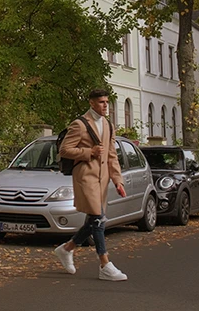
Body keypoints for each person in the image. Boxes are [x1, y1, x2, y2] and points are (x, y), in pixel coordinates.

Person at [54, 88, 128, 281]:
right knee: (98, 218)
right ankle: (105, 264)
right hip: (85, 176)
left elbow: (112, 155)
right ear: (92, 103)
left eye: (107, 102)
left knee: (94, 220)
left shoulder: (109, 125)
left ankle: (67, 248)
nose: (106, 105)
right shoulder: (79, 124)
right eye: (102, 102)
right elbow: (65, 150)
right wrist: (89, 152)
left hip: (102, 179)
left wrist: (117, 180)